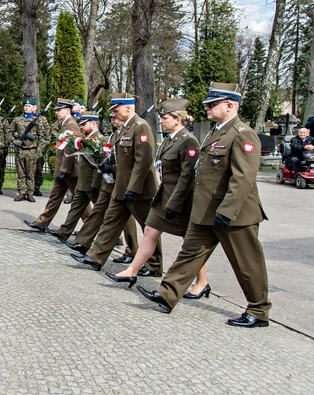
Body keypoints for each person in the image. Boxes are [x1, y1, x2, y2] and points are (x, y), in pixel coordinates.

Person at [138, 85, 272, 328]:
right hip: (206, 211)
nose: (207, 108)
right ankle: (168, 294)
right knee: (190, 252)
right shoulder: (215, 133)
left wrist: (227, 211)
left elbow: (243, 178)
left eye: (213, 104)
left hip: (235, 214)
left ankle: (259, 311)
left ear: (230, 105)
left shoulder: (243, 134)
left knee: (246, 262)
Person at [107, 99, 208, 294]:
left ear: (178, 119)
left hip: (182, 199)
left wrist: (175, 203)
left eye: (165, 118)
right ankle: (131, 270)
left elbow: (187, 177)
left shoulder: (189, 141)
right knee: (150, 231)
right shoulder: (170, 139)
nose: (161, 121)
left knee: (190, 241)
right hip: (165, 195)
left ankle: (202, 282)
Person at [70, 93, 163, 274]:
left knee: (149, 227)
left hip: (140, 189)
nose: (114, 114)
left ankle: (154, 265)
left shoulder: (140, 127)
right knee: (111, 221)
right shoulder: (124, 129)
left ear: (128, 108)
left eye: (117, 110)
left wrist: (133, 188)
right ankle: (96, 257)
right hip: (120, 186)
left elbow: (143, 161)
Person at [26, 98, 81, 230]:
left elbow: (71, 149)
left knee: (81, 202)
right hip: (63, 169)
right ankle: (42, 222)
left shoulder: (71, 124)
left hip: (69, 171)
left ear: (67, 110)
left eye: (59, 110)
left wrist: (64, 170)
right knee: (54, 198)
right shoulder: (64, 124)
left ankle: (95, 228)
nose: (56, 113)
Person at [53, 112, 102, 243]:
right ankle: (63, 233)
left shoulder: (98, 139)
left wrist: (95, 185)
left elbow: (99, 165)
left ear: (94, 124)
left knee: (102, 211)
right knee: (75, 208)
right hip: (83, 181)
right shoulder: (85, 139)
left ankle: (114, 238)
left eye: (84, 124)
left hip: (92, 183)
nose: (81, 127)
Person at [10, 99, 42, 202]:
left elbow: (42, 136)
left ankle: (30, 193)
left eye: (29, 106)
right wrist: (14, 141)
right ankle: (21, 193)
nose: (26, 107)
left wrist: (39, 150)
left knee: (30, 174)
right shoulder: (17, 119)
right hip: (20, 150)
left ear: (33, 108)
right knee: (21, 173)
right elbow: (9, 131)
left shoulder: (37, 120)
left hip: (31, 150)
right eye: (25, 106)